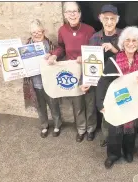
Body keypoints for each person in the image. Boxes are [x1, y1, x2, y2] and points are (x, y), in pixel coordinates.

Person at [96, 26, 138, 169]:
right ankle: (113, 155)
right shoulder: (113, 61)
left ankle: (128, 151)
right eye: (128, 40)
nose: (131, 44)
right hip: (116, 102)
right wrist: (100, 104)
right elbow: (102, 83)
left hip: (133, 101)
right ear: (123, 43)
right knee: (115, 130)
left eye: (134, 41)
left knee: (131, 130)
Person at [45, 2, 96, 142]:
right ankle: (81, 129)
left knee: (90, 102)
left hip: (88, 70)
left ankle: (91, 128)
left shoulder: (89, 30)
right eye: (69, 12)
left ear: (80, 13)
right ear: (65, 15)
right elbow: (61, 47)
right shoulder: (62, 30)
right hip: (72, 71)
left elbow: (95, 51)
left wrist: (85, 57)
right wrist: (55, 55)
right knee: (77, 102)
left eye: (75, 11)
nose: (72, 14)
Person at [89, 4, 122, 147]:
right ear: (100, 19)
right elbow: (88, 61)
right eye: (106, 18)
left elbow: (131, 57)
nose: (109, 22)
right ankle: (106, 136)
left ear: (117, 20)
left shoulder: (124, 36)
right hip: (101, 80)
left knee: (120, 107)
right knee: (103, 108)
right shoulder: (95, 37)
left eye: (112, 19)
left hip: (119, 80)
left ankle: (119, 137)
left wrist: (115, 50)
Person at [23, 19, 62, 138]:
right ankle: (44, 125)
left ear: (43, 31)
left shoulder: (49, 45)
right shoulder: (25, 47)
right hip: (34, 83)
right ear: (31, 33)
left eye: (39, 31)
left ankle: (57, 125)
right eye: (34, 32)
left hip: (48, 82)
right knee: (40, 107)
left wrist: (51, 57)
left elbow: (58, 55)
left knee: (53, 105)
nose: (37, 34)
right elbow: (18, 63)